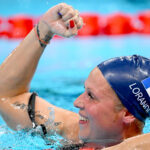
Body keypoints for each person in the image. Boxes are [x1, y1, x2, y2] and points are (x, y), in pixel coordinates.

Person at [0, 3, 150, 150]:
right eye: (85, 91)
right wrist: (43, 29)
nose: (77, 102)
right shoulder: (74, 131)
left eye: (91, 96)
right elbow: (7, 96)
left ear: (128, 113)